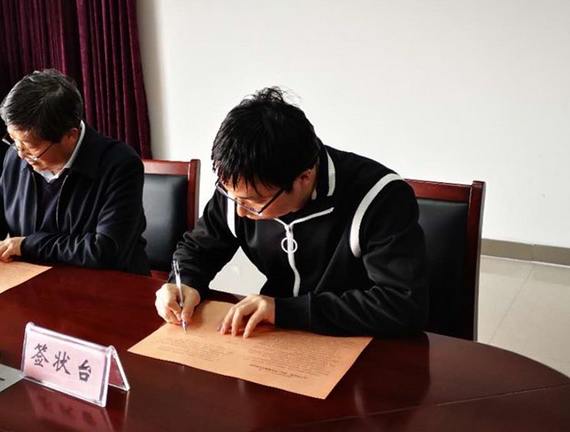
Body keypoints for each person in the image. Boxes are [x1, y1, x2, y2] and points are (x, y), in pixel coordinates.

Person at [155, 87, 428, 337]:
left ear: (304, 178)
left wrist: (285, 310)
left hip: (361, 344)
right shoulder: (241, 186)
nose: (240, 211)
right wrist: (184, 283)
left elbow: (402, 304)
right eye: (231, 196)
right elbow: (198, 249)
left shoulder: (379, 196)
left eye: (254, 202)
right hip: (275, 337)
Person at [0, 69, 150, 275]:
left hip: (104, 288)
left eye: (30, 146)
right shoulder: (17, 156)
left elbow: (105, 250)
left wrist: (28, 245)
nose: (20, 154)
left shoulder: (119, 165)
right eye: (13, 141)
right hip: (34, 281)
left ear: (70, 136)